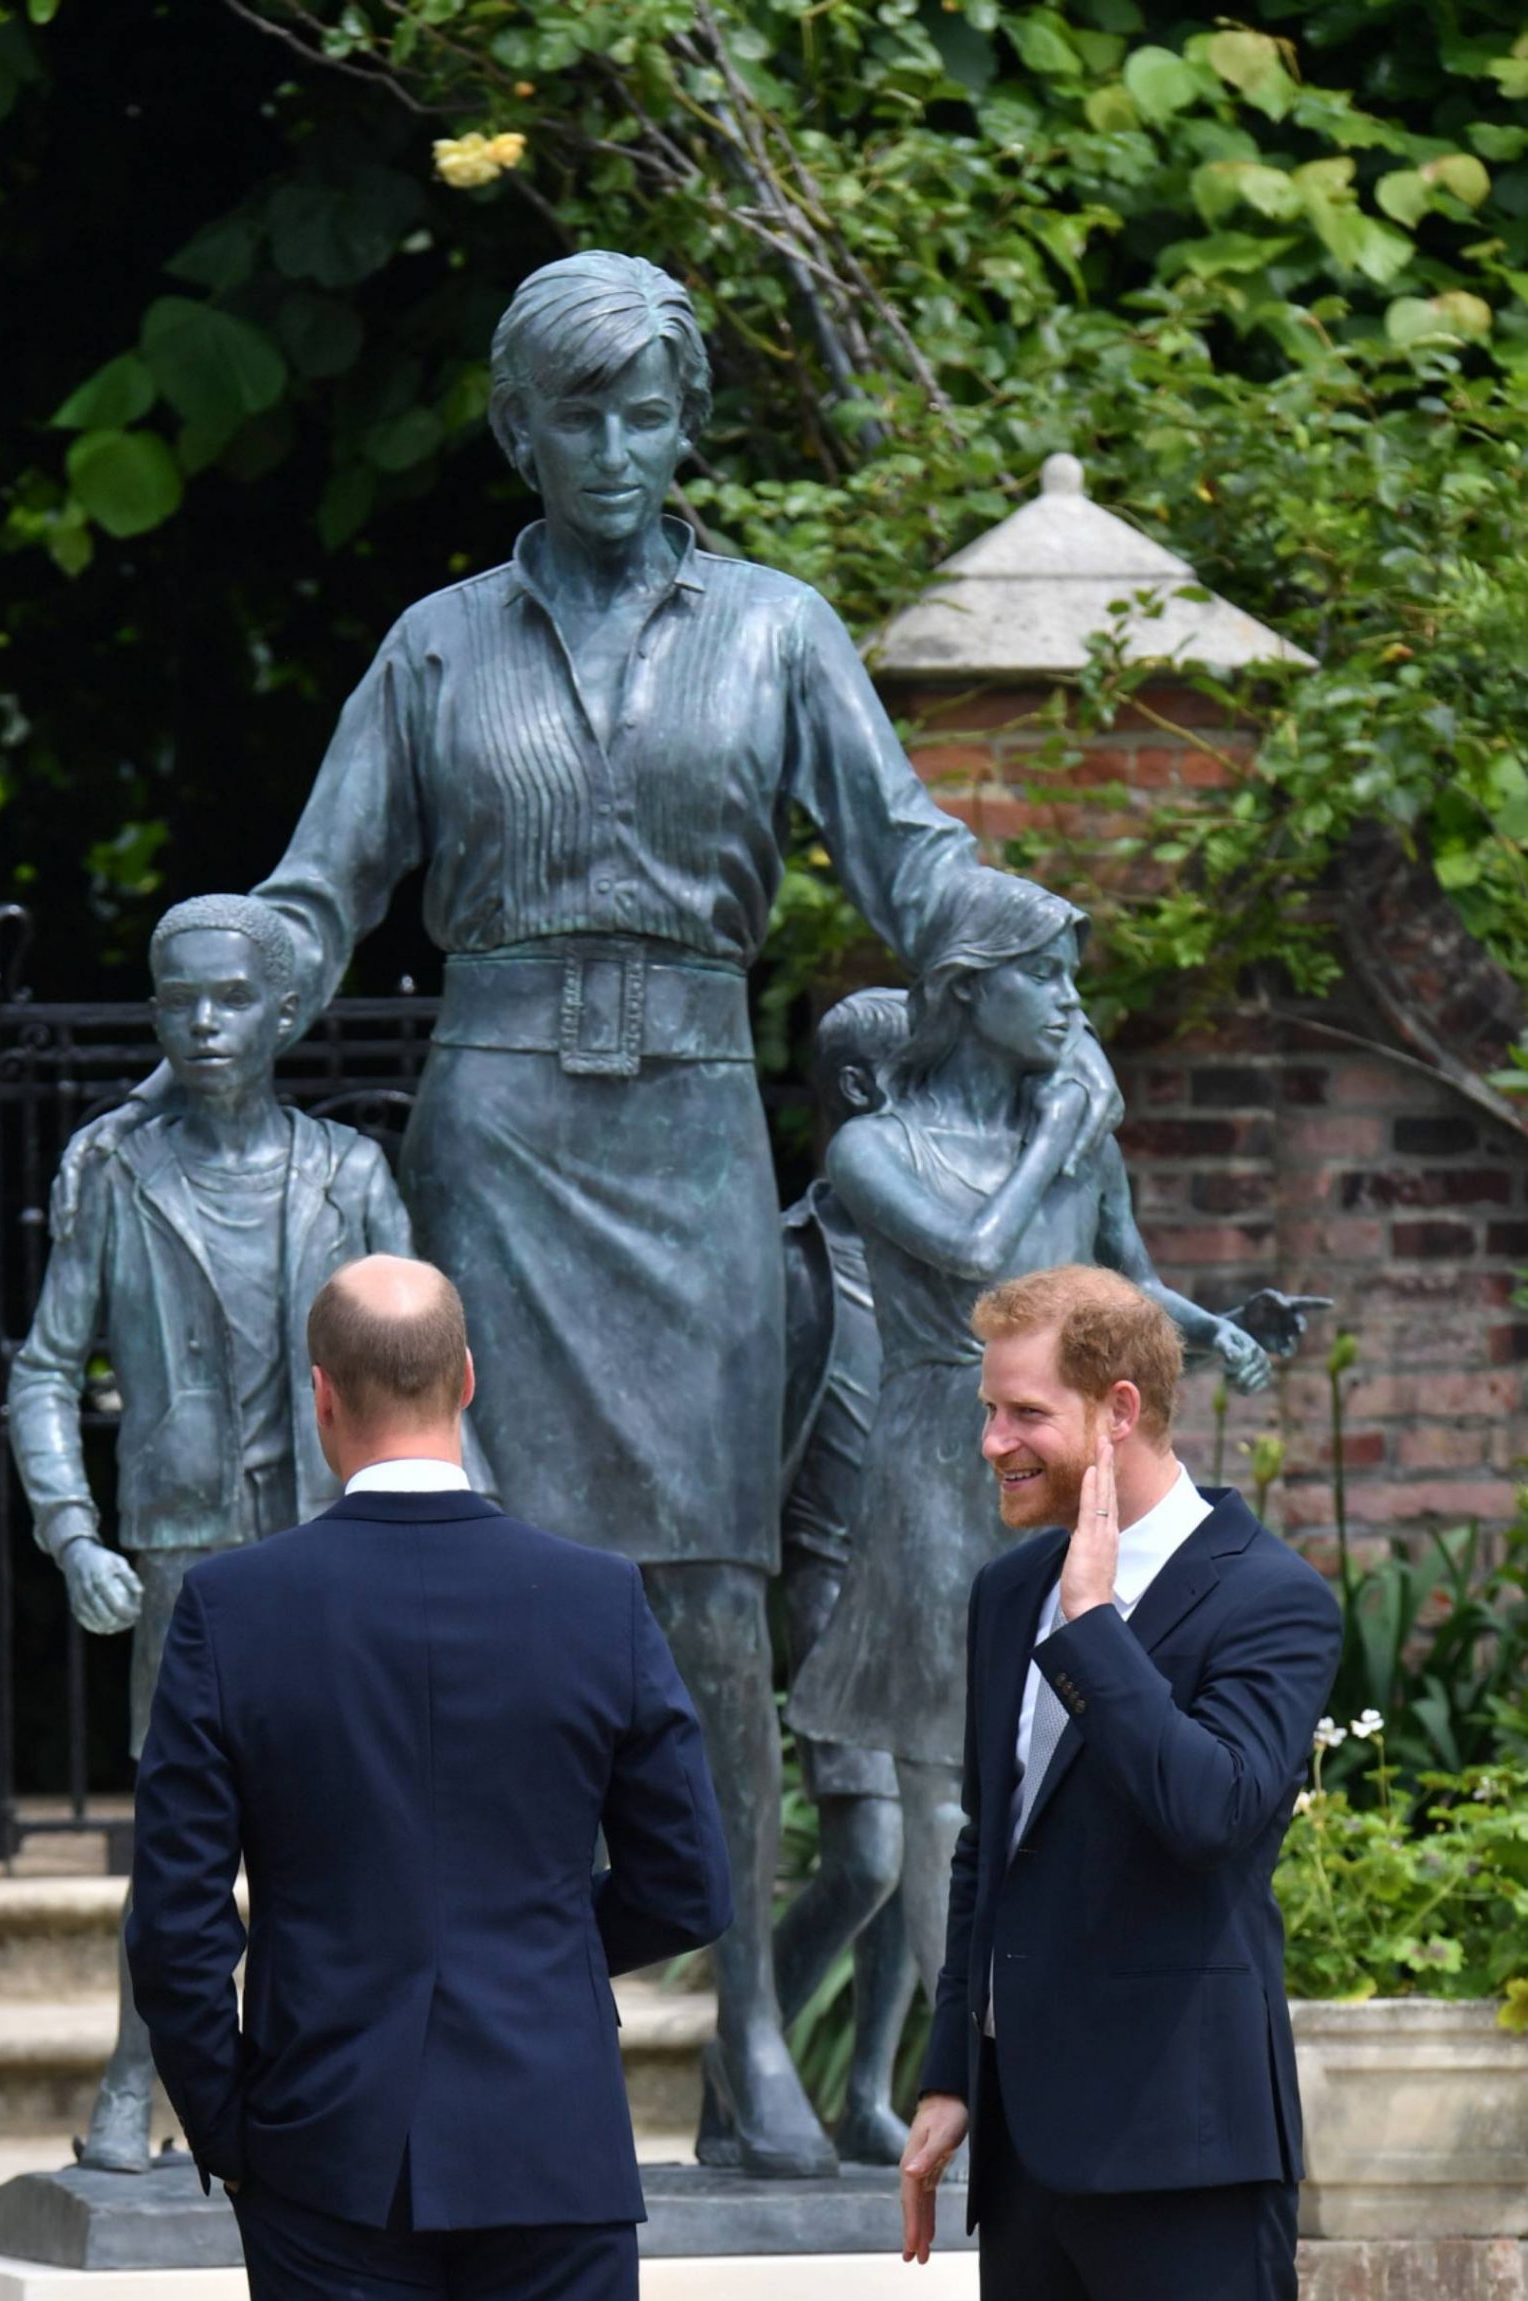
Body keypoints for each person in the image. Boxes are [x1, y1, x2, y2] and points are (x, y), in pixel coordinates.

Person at [90, 249, 1120, 2176]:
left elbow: (904, 852)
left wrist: (1025, 958)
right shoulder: (434, 648)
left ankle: (739, 2037)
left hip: (694, 1141)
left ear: (688, 426)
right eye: (580, 410)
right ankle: (489, 2010)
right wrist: (226, 1016)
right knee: (476, 1592)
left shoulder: (777, 631)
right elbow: (322, 894)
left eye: (651, 410)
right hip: (499, 1130)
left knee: (716, 1602)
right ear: (515, 425)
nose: (620, 446)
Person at [126, 1254, 732, 2301]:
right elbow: (689, 1880)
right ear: (466, 1382)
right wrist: (546, 1960)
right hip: (547, 2134)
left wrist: (238, 2125)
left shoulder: (231, 1610)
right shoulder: (595, 1598)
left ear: (320, 1398)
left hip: (321, 2142)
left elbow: (174, 1925)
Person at [899, 1266, 1344, 2301]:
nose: (991, 1442)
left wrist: (1095, 1628)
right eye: (988, 1412)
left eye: (1019, 1414)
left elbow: (1209, 1814)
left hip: (1187, 2152)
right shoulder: (1001, 1596)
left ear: (1117, 1410)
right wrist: (948, 2076)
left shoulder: (1271, 1598)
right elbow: (991, 1846)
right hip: (1028, 2158)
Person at [789, 869, 1284, 2002]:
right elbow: (975, 1254)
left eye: (1073, 978)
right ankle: (969, 2048)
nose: (1070, 1004)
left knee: (1081, 1745)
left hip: (1073, 1474)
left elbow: (1131, 1287)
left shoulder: (1083, 1142)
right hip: (937, 1456)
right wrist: (1058, 1127)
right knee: (944, 1778)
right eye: (1044, 977)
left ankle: (1063, 2026)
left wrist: (1221, 1332)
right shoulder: (879, 1145)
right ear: (967, 990)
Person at [8, 893, 411, 2172]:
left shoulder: (350, 1173)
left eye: (230, 997)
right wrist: (73, 1532)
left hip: (333, 1543)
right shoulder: (115, 1173)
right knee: (183, 1847)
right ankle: (138, 2076)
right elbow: (43, 1370)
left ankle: (312, 2089)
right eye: (177, 999)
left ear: (285, 1012)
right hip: (186, 1553)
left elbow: (428, 1366)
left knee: (341, 1832)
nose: (202, 1022)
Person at [772, 987, 917, 2163]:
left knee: (921, 1853)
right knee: (867, 1855)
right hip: (827, 1594)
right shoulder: (791, 1263)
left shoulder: (942, 1255)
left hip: (933, 1587)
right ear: (866, 1091)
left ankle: (867, 2090)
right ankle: (751, 2053)